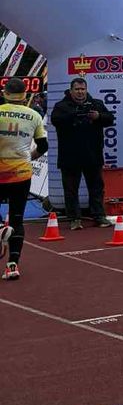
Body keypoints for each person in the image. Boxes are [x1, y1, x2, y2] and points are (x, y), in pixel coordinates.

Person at [1, 77, 49, 281]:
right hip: (21, 172)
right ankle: (12, 265)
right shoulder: (34, 115)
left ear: (5, 93)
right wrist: (30, 157)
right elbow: (44, 146)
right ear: (25, 95)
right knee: (17, 218)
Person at [50, 78, 115, 230]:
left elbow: (110, 119)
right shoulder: (61, 106)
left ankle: (99, 215)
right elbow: (55, 120)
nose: (80, 92)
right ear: (71, 90)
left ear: (86, 89)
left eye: (82, 89)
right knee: (71, 189)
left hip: (93, 154)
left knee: (97, 187)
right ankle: (74, 218)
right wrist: (75, 114)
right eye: (77, 89)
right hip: (70, 156)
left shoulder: (96, 104)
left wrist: (98, 117)